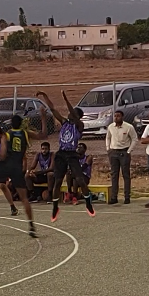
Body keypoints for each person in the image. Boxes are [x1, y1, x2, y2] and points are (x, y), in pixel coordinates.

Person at [36, 90, 95, 222]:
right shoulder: (64, 123)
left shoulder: (79, 126)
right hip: (62, 153)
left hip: (72, 154)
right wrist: (45, 96)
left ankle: (88, 204)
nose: (69, 114)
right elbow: (53, 109)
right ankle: (55, 207)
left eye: (72, 113)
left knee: (80, 179)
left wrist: (65, 98)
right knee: (57, 181)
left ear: (77, 116)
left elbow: (72, 112)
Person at [105, 110, 137, 205]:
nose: (116, 118)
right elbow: (108, 137)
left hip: (124, 152)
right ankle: (114, 196)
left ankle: (127, 196)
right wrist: (108, 148)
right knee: (114, 175)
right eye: (115, 116)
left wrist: (129, 151)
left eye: (118, 116)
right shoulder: (111, 127)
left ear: (122, 117)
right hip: (113, 152)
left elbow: (134, 139)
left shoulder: (128, 127)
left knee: (126, 174)